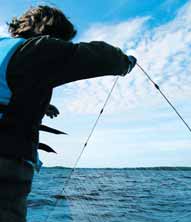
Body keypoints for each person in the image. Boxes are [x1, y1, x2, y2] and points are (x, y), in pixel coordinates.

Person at [0, 5, 136, 222]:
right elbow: (101, 57)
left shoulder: (4, 49)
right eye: (62, 41)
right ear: (49, 30)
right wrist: (125, 63)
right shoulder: (37, 48)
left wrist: (39, 104)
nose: (62, 46)